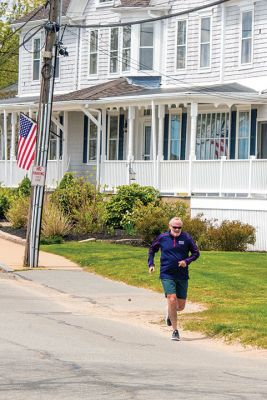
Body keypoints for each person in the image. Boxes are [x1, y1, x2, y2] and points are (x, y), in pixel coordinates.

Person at [148, 217, 200, 341]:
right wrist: (151, 264)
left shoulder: (186, 238)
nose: (177, 229)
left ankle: (170, 314)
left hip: (182, 275)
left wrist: (186, 261)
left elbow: (196, 253)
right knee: (171, 298)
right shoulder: (162, 237)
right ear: (169, 226)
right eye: (174, 227)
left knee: (180, 307)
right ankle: (175, 331)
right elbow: (152, 250)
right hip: (166, 274)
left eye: (179, 227)